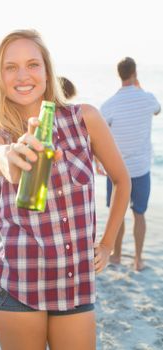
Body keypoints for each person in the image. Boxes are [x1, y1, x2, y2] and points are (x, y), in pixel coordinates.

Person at [0, 29, 130, 350]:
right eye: (10, 67)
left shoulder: (85, 119)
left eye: (32, 64)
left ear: (47, 71)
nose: (23, 75)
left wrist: (107, 243)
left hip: (75, 287)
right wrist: (10, 157)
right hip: (17, 287)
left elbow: (122, 180)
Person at [99, 57, 161, 271]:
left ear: (119, 75)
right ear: (135, 73)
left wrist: (98, 160)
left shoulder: (109, 104)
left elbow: (98, 135)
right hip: (141, 170)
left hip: (116, 171)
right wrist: (139, 85)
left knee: (118, 213)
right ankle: (138, 259)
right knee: (139, 214)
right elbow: (157, 110)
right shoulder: (148, 98)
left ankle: (115, 258)